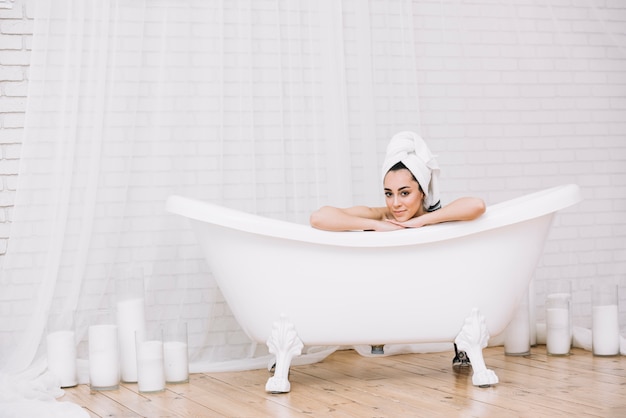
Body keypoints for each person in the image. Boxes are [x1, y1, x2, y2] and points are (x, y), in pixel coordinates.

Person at [310, 131, 486, 231]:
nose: (395, 204)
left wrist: (422, 221)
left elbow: (476, 205)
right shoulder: (382, 216)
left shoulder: (434, 217)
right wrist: (376, 225)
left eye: (404, 193)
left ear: (422, 191)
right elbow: (319, 218)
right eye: (388, 193)